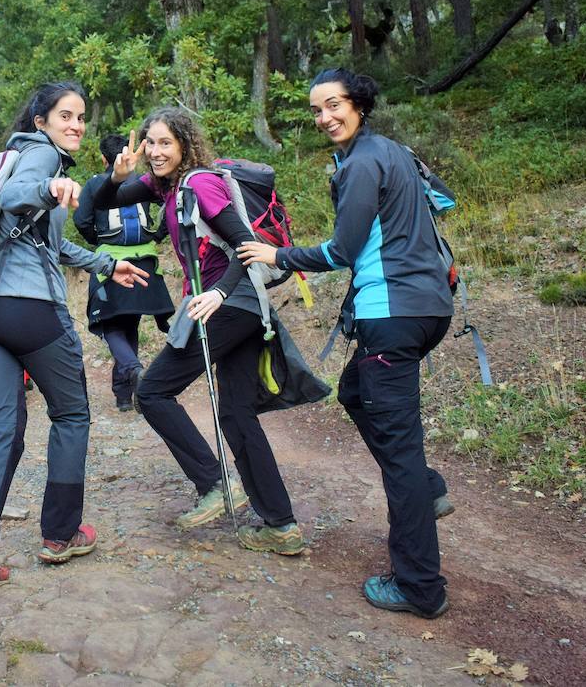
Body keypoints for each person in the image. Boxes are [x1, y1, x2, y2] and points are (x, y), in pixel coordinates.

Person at [239, 67, 455, 620]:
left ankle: (418, 587)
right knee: (357, 392)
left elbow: (341, 251)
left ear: (358, 103)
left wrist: (277, 255)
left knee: (399, 452)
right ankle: (426, 488)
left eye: (334, 105)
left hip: (391, 313)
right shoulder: (395, 152)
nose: (325, 117)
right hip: (427, 308)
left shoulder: (361, 164)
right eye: (316, 110)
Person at [0, 81, 150, 590]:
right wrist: (47, 187)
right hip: (30, 310)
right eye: (65, 115)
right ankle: (61, 534)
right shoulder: (38, 159)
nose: (76, 125)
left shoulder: (8, 163)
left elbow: (46, 245)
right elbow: (23, 197)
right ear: (40, 120)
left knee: (0, 431)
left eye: (81, 116)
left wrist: (106, 264)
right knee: (73, 413)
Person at [92, 108, 306, 556]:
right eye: (149, 142)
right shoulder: (161, 186)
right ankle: (281, 525)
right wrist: (116, 176)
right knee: (235, 412)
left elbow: (245, 245)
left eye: (165, 143)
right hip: (235, 308)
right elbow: (105, 203)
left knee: (151, 392)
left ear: (185, 146)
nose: (154, 151)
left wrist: (221, 295)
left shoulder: (200, 184)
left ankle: (214, 482)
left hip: (227, 305)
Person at [73, 133, 175, 411]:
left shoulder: (95, 184)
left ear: (105, 159)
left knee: (111, 326)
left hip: (112, 265)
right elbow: (171, 204)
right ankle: (124, 395)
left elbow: (81, 220)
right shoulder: (146, 182)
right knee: (128, 324)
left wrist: (99, 241)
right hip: (146, 262)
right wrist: (159, 235)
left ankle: (133, 371)